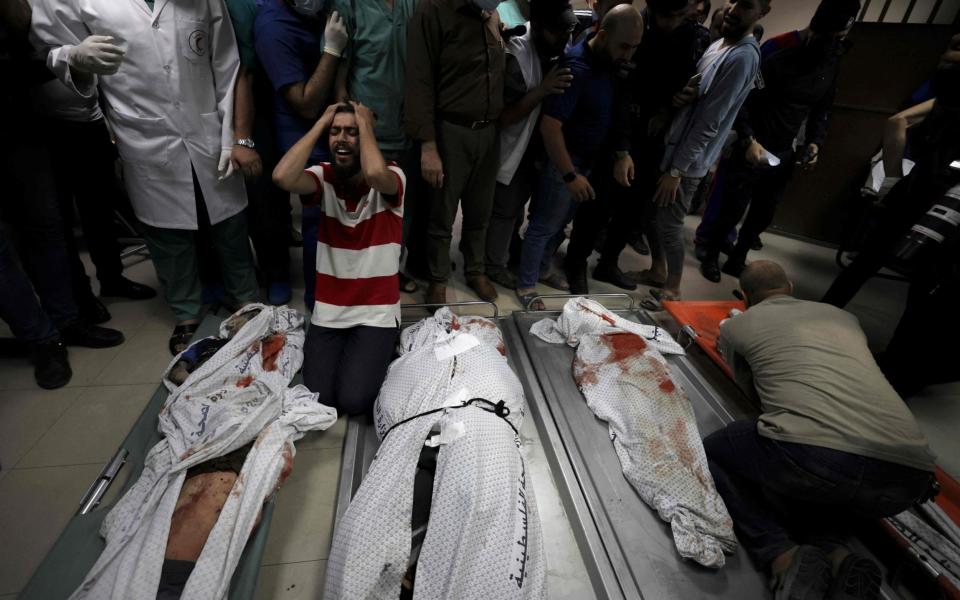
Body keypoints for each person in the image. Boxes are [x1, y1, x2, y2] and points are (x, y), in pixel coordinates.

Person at [32, 0, 261, 356]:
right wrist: (72, 59)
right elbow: (50, 47)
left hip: (207, 127)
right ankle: (186, 314)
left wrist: (231, 134)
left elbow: (226, 64)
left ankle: (246, 300)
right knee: (166, 234)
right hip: (143, 134)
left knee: (230, 222)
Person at [705, 260, 936, 600]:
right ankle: (838, 556)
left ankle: (779, 554)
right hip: (908, 478)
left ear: (746, 298)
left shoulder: (737, 327)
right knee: (824, 477)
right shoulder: (844, 317)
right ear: (792, 287)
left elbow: (756, 400)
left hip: (818, 458)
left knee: (719, 451)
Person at [2, 0, 124, 389]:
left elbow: (18, 55)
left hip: (19, 127)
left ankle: (68, 320)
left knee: (47, 227)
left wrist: (63, 59)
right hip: (28, 118)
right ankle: (41, 340)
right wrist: (63, 57)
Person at [697, 0, 859, 283]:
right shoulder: (777, 50)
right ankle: (710, 253)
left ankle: (738, 256)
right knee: (731, 207)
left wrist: (814, 142)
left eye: (839, 39)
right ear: (816, 30)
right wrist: (748, 139)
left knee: (763, 212)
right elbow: (743, 99)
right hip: (752, 143)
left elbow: (822, 107)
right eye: (829, 38)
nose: (833, 44)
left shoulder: (831, 61)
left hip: (785, 149)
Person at [564, 0, 705, 295]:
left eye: (680, 15)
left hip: (655, 134)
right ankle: (576, 262)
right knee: (597, 204)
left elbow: (686, 79)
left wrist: (676, 102)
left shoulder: (687, 34)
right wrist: (621, 149)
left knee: (633, 207)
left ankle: (608, 262)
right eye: (668, 14)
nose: (672, 22)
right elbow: (618, 94)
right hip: (618, 129)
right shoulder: (632, 29)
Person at [273, 102, 404, 416]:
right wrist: (321, 123)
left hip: (375, 310)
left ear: (368, 136)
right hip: (331, 308)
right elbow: (282, 177)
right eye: (336, 132)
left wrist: (365, 122)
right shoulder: (323, 176)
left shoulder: (393, 177)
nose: (342, 139)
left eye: (352, 133)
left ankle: (381, 346)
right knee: (322, 398)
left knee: (355, 400)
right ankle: (360, 354)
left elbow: (373, 172)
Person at [515, 5, 644, 308]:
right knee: (544, 224)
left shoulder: (609, 64)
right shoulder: (576, 66)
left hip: (588, 161)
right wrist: (569, 174)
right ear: (602, 33)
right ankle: (526, 285)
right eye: (624, 46)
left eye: (635, 48)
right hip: (564, 164)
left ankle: (543, 267)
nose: (629, 55)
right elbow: (550, 128)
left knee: (560, 225)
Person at [641, 0, 767, 302]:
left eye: (746, 5)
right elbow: (700, 87)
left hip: (687, 162)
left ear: (762, 12)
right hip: (674, 146)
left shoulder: (743, 57)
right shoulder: (720, 43)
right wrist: (684, 97)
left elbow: (712, 121)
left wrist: (676, 170)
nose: (735, 9)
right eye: (733, 1)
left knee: (670, 224)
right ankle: (659, 270)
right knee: (650, 215)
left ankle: (672, 286)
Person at [404, 0, 507, 304]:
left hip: (489, 130)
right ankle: (438, 277)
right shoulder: (432, 11)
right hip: (450, 130)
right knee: (441, 212)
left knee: (480, 209)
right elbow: (419, 82)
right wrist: (428, 145)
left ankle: (475, 270)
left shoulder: (491, 12)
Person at [33, 80, 157, 324]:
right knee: (61, 219)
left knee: (100, 209)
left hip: (92, 120)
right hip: (48, 126)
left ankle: (113, 279)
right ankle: (82, 297)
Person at [334, 0, 427, 294]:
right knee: (361, 214)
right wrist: (349, 120)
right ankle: (359, 280)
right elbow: (339, 69)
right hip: (370, 132)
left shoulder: (412, 5)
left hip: (406, 129)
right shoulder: (350, 5)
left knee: (401, 212)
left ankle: (390, 271)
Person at [483, 1, 577, 290]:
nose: (563, 38)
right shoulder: (516, 55)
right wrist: (543, 90)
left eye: (567, 31)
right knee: (505, 210)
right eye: (555, 32)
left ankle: (517, 255)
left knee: (530, 212)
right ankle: (493, 266)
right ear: (538, 27)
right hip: (515, 146)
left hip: (544, 147)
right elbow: (505, 116)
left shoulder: (562, 41)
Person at [224, 0, 296, 307]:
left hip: (260, 96)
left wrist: (243, 136)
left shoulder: (253, 9)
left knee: (265, 194)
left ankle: (276, 271)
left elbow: (248, 70)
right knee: (226, 202)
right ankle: (223, 275)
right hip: (212, 99)